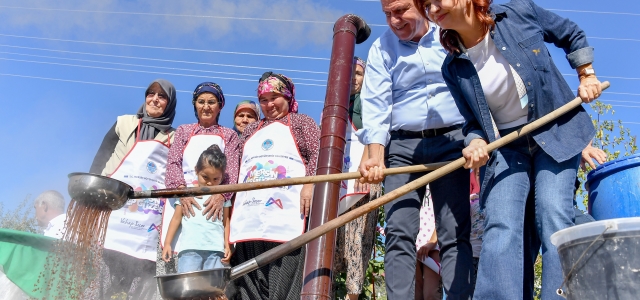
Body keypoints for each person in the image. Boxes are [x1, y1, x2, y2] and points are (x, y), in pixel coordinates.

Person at [423, 0, 603, 298]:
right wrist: (477, 141)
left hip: (555, 130)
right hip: (507, 148)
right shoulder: (453, 67)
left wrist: (586, 73)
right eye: (425, 4)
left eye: (434, 0)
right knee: (501, 222)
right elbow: (472, 123)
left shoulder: (518, 11)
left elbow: (569, 33)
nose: (432, 9)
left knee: (553, 211)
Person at [356, 0, 474, 298]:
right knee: (398, 231)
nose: (394, 21)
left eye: (400, 11)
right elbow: (376, 104)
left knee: (453, 232)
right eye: (387, 14)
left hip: (451, 143)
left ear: (422, 6)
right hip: (403, 147)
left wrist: (477, 136)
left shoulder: (450, 34)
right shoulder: (382, 49)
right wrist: (375, 156)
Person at [229, 72, 320, 300]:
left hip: (286, 215)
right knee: (250, 285)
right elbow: (236, 168)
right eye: (263, 100)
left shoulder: (302, 123)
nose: (269, 104)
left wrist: (309, 184)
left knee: (284, 281)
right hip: (249, 217)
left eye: (275, 97)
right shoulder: (251, 131)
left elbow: (319, 153)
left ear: (288, 96)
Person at [90, 79, 177, 299]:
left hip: (145, 221)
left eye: (162, 96)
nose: (155, 99)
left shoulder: (173, 137)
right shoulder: (124, 123)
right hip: (112, 210)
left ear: (170, 103)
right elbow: (101, 157)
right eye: (151, 94)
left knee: (138, 280)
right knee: (100, 274)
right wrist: (92, 189)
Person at [162, 82, 240, 268]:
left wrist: (221, 195)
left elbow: (231, 170)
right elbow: (173, 163)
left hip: (214, 207)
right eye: (201, 101)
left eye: (211, 102)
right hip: (184, 201)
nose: (206, 106)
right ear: (195, 104)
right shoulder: (183, 131)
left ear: (220, 106)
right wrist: (182, 191)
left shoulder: (229, 135)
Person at [334, 57, 380, 300]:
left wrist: (367, 159)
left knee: (358, 242)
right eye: (348, 72)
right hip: (339, 184)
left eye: (359, 73)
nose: (353, 78)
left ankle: (352, 296)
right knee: (335, 244)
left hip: (364, 176)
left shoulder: (370, 100)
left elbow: (376, 129)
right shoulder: (335, 106)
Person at [163, 145, 232, 272]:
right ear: (196, 170)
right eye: (205, 177)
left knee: (213, 288)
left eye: (216, 179)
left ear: (222, 177)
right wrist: (167, 243)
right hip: (190, 250)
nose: (210, 183)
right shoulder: (187, 196)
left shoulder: (223, 199)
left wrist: (227, 245)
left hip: (216, 251)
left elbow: (226, 222)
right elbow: (176, 219)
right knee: (188, 287)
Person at [414, 185, 443, 300]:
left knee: (431, 293)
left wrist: (432, 241)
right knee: (415, 293)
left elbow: (443, 214)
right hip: (413, 244)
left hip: (434, 244)